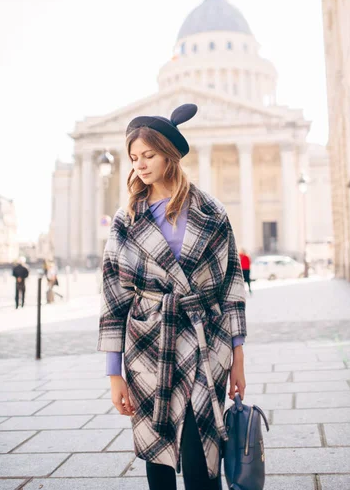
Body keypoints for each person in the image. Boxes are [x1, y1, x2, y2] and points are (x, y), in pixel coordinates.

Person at [98, 104, 247, 490]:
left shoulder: (212, 211)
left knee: (203, 459)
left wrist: (238, 358)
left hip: (204, 343)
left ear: (170, 155)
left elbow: (232, 286)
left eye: (148, 155)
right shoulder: (126, 218)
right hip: (148, 346)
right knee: (158, 458)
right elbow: (113, 299)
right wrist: (114, 373)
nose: (140, 165)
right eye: (134, 158)